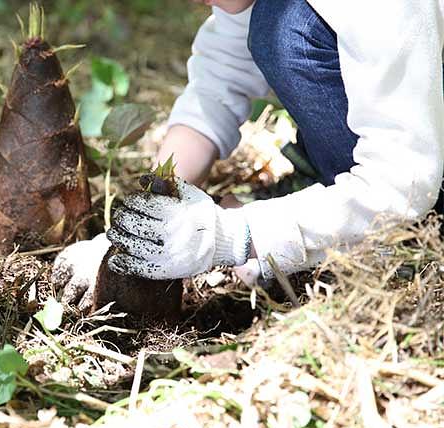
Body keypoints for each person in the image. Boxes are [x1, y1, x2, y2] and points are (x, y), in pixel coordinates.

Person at [52, 0, 444, 307]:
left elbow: (405, 179)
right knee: (275, 20)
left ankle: (393, 245)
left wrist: (236, 236)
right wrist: (146, 219)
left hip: (421, 180)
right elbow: (220, 78)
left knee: (290, 28)